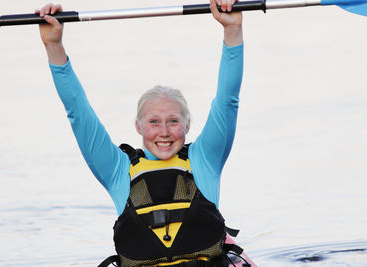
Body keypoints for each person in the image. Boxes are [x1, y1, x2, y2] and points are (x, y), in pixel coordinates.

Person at [37, 0, 256, 266]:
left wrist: (232, 30)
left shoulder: (205, 159)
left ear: (187, 126)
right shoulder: (117, 169)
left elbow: (227, 99)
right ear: (138, 127)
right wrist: (54, 45)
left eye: (173, 121)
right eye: (154, 121)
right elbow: (78, 113)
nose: (164, 132)